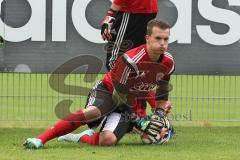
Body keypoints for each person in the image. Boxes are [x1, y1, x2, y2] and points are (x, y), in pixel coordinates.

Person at [24, 19, 175, 149]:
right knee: (92, 112)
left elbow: (162, 93)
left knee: (108, 140)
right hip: (108, 93)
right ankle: (40, 139)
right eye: (158, 38)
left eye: (166, 39)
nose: (162, 43)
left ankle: (81, 137)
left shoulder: (168, 62)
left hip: (129, 103)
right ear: (147, 38)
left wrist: (159, 115)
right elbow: (118, 97)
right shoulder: (131, 60)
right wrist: (139, 121)